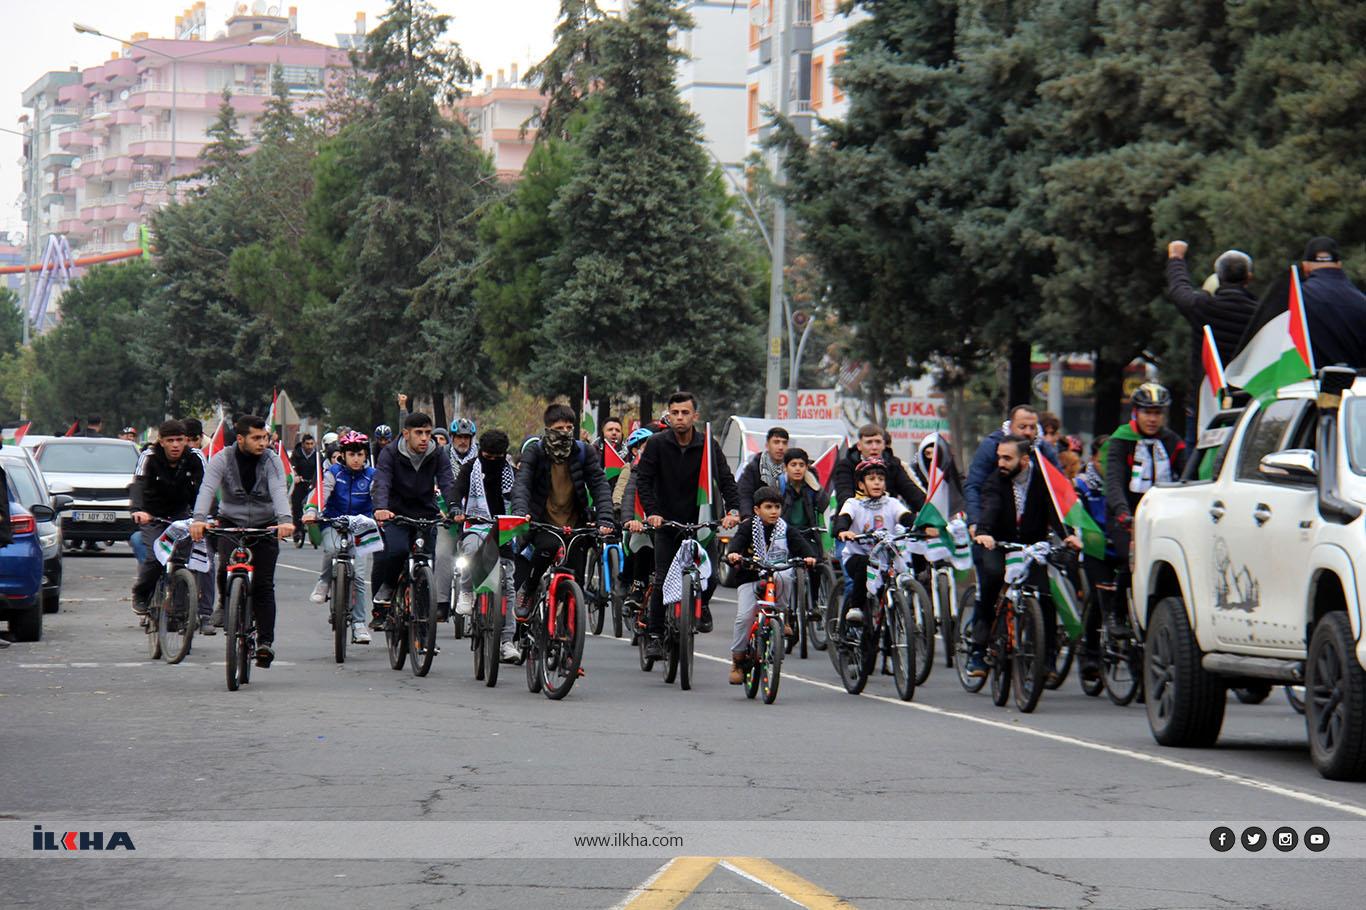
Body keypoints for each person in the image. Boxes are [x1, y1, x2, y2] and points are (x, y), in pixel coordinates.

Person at [634, 391, 741, 657]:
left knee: (712, 576)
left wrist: (733, 510)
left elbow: (725, 480)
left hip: (701, 523)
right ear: (668, 415)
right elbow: (644, 482)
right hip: (667, 522)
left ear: (695, 416)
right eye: (675, 413)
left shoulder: (708, 445)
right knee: (661, 580)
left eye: (685, 413)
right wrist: (653, 513)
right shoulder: (657, 444)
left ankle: (701, 605)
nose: (679, 418)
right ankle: (656, 634)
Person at [968, 436, 1081, 681]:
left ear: (1025, 460)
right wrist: (984, 532)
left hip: (1032, 547)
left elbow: (1055, 512)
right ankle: (978, 649)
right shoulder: (995, 481)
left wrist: (1068, 536)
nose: (1001, 462)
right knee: (991, 581)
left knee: (1046, 596)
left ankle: (1047, 658)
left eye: (1007, 458)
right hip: (999, 544)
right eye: (999, 456)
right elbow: (990, 506)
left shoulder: (1043, 482)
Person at [190, 416, 295, 668]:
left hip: (265, 525)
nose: (263, 443)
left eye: (265, 438)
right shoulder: (222, 458)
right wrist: (199, 519)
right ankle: (226, 604)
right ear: (240, 439)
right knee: (225, 564)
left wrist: (285, 520)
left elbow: (279, 490)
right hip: (230, 522)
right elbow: (207, 488)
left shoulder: (271, 460)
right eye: (256, 438)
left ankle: (264, 643)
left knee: (263, 585)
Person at [509, 404, 614, 617]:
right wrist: (521, 512)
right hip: (543, 521)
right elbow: (522, 483)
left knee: (576, 579)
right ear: (548, 429)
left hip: (575, 524)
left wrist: (605, 518)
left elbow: (599, 484)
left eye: (569, 428)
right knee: (546, 548)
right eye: (559, 428)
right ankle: (529, 590)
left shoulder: (584, 452)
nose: (565, 433)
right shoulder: (535, 452)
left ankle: (568, 634)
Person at [1103, 383, 1187, 626]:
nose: (1152, 419)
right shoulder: (1121, 440)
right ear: (1136, 412)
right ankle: (1117, 614)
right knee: (1133, 560)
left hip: (1162, 515)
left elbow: (1186, 477)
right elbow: (1114, 481)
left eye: (1157, 413)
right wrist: (1122, 512)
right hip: (1126, 515)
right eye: (1147, 412)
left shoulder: (1173, 442)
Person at [1166, 240, 1259, 440]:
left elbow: (1178, 289)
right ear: (1249, 278)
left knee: (1199, 462)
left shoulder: (1203, 307)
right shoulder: (1259, 315)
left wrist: (1176, 258)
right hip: (1245, 404)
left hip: (1205, 402)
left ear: (1218, 277)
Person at [370, 413, 459, 624]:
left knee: (427, 565)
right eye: (419, 433)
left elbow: (447, 481)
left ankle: (424, 631)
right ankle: (389, 586)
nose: (424, 438)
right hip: (396, 513)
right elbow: (382, 481)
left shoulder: (437, 453)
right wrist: (381, 507)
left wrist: (455, 507)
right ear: (406, 433)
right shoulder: (390, 453)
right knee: (398, 551)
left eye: (428, 433)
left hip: (426, 514)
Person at [724, 485, 817, 684]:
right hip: (750, 577)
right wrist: (733, 554)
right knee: (743, 618)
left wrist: (810, 556)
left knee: (785, 574)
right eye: (768, 507)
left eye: (777, 507)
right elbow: (737, 542)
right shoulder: (748, 527)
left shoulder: (785, 528)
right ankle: (738, 661)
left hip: (776, 576)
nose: (774, 511)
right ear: (757, 510)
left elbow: (800, 544)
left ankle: (783, 617)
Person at [450, 430, 520, 661]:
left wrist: (523, 514)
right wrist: (455, 508)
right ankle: (467, 591)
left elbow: (520, 497)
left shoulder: (511, 472)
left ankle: (507, 641)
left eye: (496, 457)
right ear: (481, 452)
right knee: (470, 551)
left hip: (504, 529)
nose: (491, 461)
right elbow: (457, 489)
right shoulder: (470, 468)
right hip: (475, 525)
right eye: (487, 456)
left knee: (508, 583)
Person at [304, 430, 375, 645]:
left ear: (366, 456)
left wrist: (383, 512)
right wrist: (312, 511)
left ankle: (359, 624)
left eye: (360, 454)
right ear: (342, 455)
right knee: (332, 550)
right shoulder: (334, 473)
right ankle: (324, 580)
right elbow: (321, 494)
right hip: (334, 522)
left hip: (362, 527)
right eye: (351, 454)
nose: (356, 459)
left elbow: (380, 497)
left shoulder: (373, 475)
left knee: (360, 577)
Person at [129, 419, 204, 619]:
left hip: (182, 516)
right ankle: (141, 594)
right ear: (161, 441)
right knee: (156, 556)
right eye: (170, 440)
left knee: (187, 559)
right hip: (152, 515)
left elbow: (206, 490)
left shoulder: (195, 457)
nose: (175, 445)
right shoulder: (149, 456)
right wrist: (138, 510)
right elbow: (138, 484)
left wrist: (205, 516)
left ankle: (181, 611)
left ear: (187, 440)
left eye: (180, 440)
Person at [834, 459, 916, 629]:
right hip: (857, 558)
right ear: (861, 485)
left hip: (885, 560)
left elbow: (905, 517)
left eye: (880, 478)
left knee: (900, 573)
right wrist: (843, 530)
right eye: (871, 479)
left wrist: (922, 526)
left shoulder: (892, 503)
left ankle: (900, 618)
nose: (877, 482)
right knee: (864, 563)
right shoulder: (853, 503)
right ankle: (855, 607)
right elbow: (844, 518)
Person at [964, 404, 1060, 529]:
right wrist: (975, 522)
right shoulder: (991, 446)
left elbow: (1058, 489)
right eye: (1022, 427)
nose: (1027, 432)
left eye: (1032, 427)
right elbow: (974, 486)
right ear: (1010, 426)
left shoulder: (1044, 450)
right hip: (994, 525)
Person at [1298, 236, 1366, 369]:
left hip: (1307, 386)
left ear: (1305, 266)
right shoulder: (1362, 300)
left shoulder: (1296, 299)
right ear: (1339, 265)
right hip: (1357, 386)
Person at [832, 424, 925, 509]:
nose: (874, 447)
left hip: (889, 517)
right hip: (854, 517)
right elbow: (844, 496)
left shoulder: (893, 464)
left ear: (884, 444)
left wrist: (929, 513)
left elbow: (910, 491)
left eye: (878, 442)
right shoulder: (845, 465)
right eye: (869, 442)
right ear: (859, 446)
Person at [736, 427, 790, 515]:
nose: (781, 447)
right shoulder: (754, 468)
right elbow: (744, 495)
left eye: (784, 443)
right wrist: (747, 517)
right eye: (776, 442)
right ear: (767, 445)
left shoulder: (793, 468)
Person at [289, 434, 317, 545]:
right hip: (299, 484)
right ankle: (297, 530)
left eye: (311, 444)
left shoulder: (317, 455)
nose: (310, 446)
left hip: (312, 484)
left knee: (313, 506)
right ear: (303, 443)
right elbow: (292, 467)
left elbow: (321, 467)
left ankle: (314, 532)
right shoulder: (296, 454)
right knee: (297, 507)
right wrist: (295, 476)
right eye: (307, 444)